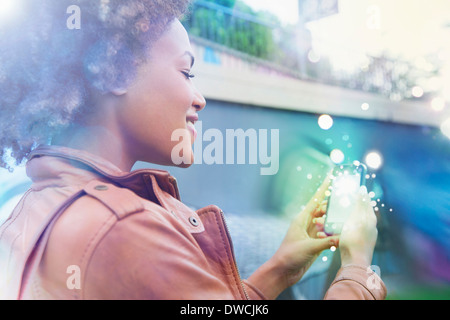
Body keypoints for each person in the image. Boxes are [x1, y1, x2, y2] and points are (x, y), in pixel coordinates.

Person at [0, 0, 386, 300]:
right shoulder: (124, 231)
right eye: (186, 73)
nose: (198, 99)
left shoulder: (34, 208)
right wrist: (357, 266)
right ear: (113, 69)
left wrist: (279, 269)